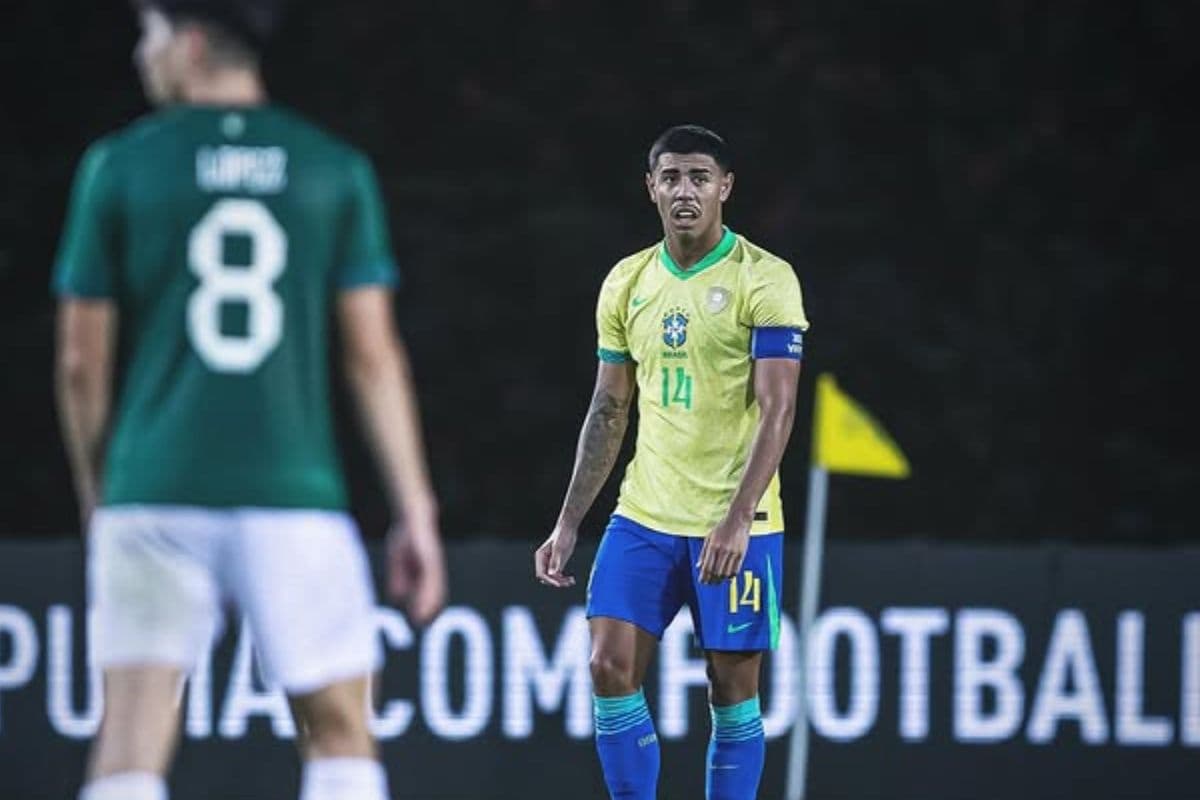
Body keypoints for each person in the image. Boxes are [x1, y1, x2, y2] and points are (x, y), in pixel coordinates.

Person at [52, 2, 446, 799]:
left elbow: (80, 363)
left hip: (155, 490)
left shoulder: (119, 166)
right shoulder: (331, 167)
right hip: (293, 494)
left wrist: (102, 490)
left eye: (152, 35)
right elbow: (372, 358)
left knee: (130, 737)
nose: (143, 55)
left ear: (192, 43)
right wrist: (415, 508)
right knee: (340, 731)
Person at [535, 124, 809, 800]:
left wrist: (737, 518)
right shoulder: (627, 282)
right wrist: (569, 522)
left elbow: (777, 410)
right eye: (671, 177)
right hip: (645, 515)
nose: (685, 190)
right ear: (651, 188)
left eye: (699, 177)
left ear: (725, 188)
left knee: (731, 689)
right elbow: (609, 409)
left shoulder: (764, 278)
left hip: (737, 521)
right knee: (607, 666)